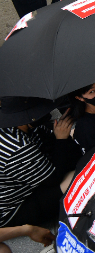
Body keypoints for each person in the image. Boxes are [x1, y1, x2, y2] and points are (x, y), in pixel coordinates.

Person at [0, 98, 79, 230]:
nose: (46, 112)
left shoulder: (19, 124)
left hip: (27, 175)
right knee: (75, 177)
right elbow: (54, 178)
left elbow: (46, 137)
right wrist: (61, 139)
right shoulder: (18, 146)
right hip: (13, 208)